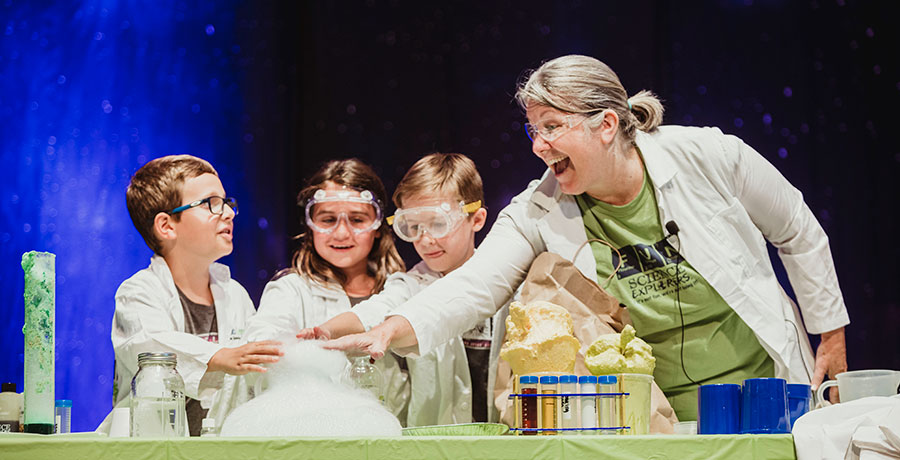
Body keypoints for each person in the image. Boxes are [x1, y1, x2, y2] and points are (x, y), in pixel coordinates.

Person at [326, 55, 850, 422]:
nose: (539, 145)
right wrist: (392, 326)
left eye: (552, 126)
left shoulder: (710, 157)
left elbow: (797, 230)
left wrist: (831, 333)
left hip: (758, 393)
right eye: (533, 130)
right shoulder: (540, 208)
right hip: (656, 407)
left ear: (605, 124)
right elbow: (473, 287)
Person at [300, 153, 500, 425]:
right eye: (413, 227)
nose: (425, 240)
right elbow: (376, 310)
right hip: (439, 445)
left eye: (438, 224)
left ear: (476, 219)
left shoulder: (505, 280)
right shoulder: (411, 284)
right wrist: (326, 331)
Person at [111, 155, 283, 436]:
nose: (228, 212)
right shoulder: (138, 293)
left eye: (227, 202)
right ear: (167, 226)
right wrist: (221, 355)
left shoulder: (235, 295)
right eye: (212, 203)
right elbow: (149, 345)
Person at [244, 158, 412, 423]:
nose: (342, 233)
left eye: (357, 219)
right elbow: (261, 347)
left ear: (378, 227)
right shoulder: (290, 291)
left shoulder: (404, 287)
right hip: (316, 438)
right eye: (328, 219)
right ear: (310, 226)